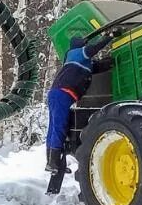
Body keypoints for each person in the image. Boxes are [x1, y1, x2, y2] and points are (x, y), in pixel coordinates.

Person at [46, 33, 117, 173]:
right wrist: (110, 36)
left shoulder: (81, 62)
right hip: (62, 93)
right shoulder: (76, 53)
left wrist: (112, 61)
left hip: (58, 93)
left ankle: (51, 162)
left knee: (54, 126)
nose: (85, 46)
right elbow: (93, 49)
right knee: (59, 127)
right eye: (83, 44)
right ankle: (53, 162)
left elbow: (97, 67)